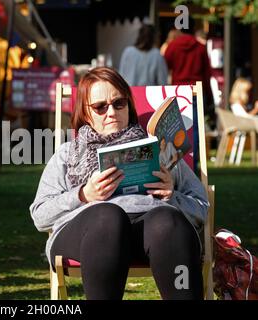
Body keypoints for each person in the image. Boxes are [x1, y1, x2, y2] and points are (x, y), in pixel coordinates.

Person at [30, 67, 209, 300]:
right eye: (100, 107)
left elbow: (202, 208)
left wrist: (171, 195)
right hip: (89, 233)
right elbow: (40, 216)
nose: (111, 112)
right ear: (85, 112)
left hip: (152, 231)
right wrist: (83, 195)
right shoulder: (68, 154)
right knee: (108, 216)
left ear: (128, 105)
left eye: (118, 103)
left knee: (168, 220)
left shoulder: (159, 149)